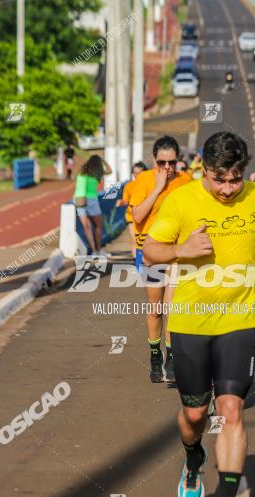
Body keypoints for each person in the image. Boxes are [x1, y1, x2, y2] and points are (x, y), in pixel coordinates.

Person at [143, 131, 255, 497]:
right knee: (194, 414)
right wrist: (180, 250)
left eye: (234, 179)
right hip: (191, 323)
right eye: (218, 179)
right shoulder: (181, 200)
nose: (227, 188)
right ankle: (194, 460)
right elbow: (151, 250)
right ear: (204, 171)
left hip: (238, 321)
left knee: (231, 411)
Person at [127, 136, 193, 383]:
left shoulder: (186, 182)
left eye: (172, 162)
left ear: (178, 160)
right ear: (154, 160)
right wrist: (157, 187)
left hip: (176, 254)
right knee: (155, 310)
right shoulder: (143, 180)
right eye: (162, 162)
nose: (167, 168)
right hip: (152, 255)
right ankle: (155, 355)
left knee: (172, 309)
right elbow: (138, 216)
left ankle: (172, 357)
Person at [74, 155, 112, 255]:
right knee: (99, 225)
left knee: (87, 227)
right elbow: (109, 170)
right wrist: (103, 160)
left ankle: (94, 251)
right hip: (91, 200)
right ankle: (99, 249)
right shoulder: (96, 173)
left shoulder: (82, 172)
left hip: (79, 200)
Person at [119, 161, 148, 258]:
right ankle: (137, 263)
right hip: (131, 216)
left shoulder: (150, 184)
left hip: (146, 216)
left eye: (139, 173)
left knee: (145, 240)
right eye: (135, 173)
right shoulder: (129, 186)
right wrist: (121, 202)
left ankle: (146, 260)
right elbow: (125, 200)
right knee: (134, 239)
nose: (137, 175)